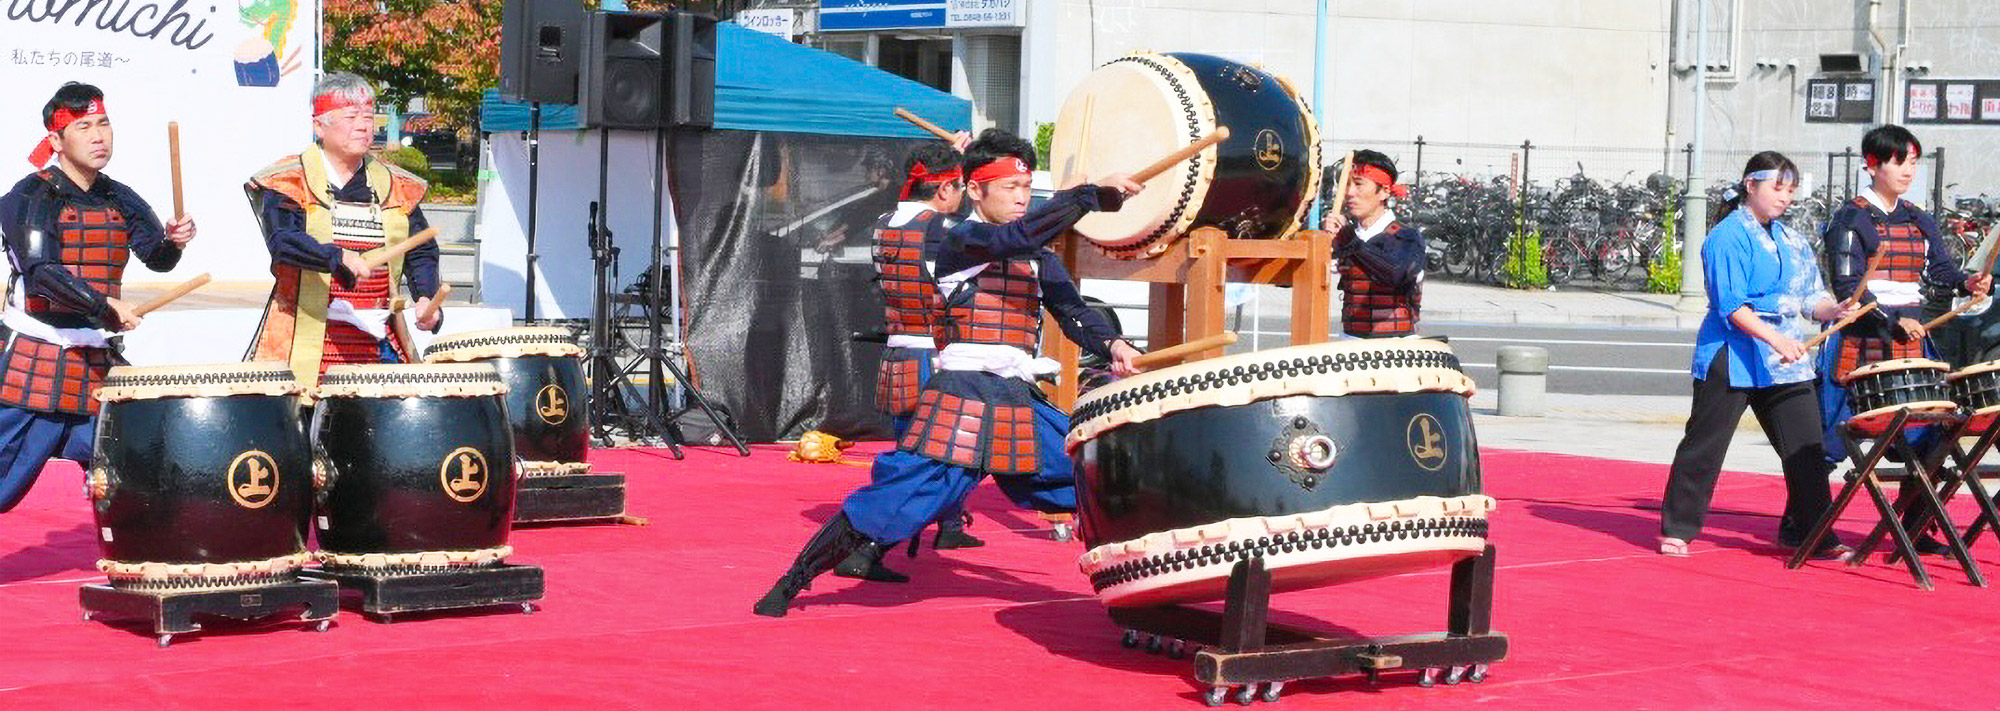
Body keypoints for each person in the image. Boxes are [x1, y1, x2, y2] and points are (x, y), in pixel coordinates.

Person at [754, 129, 1145, 617]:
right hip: (961, 397)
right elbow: (1011, 238)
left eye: (1027, 189)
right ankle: (793, 582)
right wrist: (1089, 196)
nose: (1022, 198)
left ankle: (1142, 588)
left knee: (1098, 475)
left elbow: (1071, 310)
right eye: (1009, 188)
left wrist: (1112, 343)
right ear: (975, 190)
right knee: (894, 498)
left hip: (1017, 399)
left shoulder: (1038, 256)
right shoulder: (955, 239)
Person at [0, 82, 195, 511]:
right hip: (33, 362)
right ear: (55, 140)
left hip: (95, 363)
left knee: (135, 462)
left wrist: (174, 242)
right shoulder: (29, 196)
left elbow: (156, 258)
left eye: (104, 124)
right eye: (84, 126)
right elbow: (43, 274)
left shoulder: (117, 196)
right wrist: (105, 306)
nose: (98, 136)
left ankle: (139, 564)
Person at [1658, 152, 1856, 558]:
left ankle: (1813, 532)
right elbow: (1731, 304)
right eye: (1777, 188)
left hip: (1785, 359)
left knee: (1806, 448)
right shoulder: (1727, 236)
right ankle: (1678, 527)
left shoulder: (1792, 239)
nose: (1785, 197)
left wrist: (1832, 310)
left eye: (1791, 190)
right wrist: (1775, 339)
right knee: (1705, 445)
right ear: (1751, 186)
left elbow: (1809, 296)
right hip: (1733, 353)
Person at [1817, 124, 1991, 551]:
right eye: (1899, 161)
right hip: (1858, 342)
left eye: (1913, 161)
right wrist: (1893, 318)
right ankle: (1804, 524)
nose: (1908, 169)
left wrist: (1969, 283)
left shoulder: (1918, 218)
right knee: (1824, 441)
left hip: (1911, 341)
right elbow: (1848, 286)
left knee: (1932, 435)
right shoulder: (1850, 219)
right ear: (1873, 165)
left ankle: (1914, 524)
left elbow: (1941, 272)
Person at [833, 136, 986, 584]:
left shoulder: (885, 221)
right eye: (960, 186)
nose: (961, 195)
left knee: (926, 452)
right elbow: (985, 234)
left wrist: (960, 159)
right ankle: (868, 544)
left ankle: (949, 525)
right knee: (944, 456)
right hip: (934, 360)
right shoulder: (938, 229)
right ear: (944, 189)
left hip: (901, 353)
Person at [243, 72, 443, 383]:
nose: (364, 126)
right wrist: (338, 257)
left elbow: (421, 251)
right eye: (351, 117)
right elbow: (283, 240)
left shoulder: (395, 185)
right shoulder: (289, 180)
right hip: (305, 336)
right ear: (319, 125)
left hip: (379, 340)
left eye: (368, 116)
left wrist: (427, 298)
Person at [1324, 150, 1425, 338]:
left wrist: (1349, 241)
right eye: (1346, 185)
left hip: (1396, 349)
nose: (1349, 193)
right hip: (1351, 344)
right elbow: (1295, 278)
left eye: (1359, 185)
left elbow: (1395, 273)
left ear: (1384, 191)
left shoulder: (1408, 237)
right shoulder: (1344, 235)